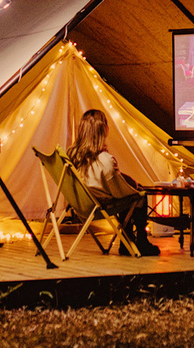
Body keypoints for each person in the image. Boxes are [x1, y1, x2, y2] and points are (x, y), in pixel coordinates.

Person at [67, 109, 160, 256]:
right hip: (100, 205)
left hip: (83, 203)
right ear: (104, 130)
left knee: (128, 193)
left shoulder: (72, 156)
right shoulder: (106, 160)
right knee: (139, 195)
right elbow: (120, 191)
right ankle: (140, 241)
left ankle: (127, 240)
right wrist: (135, 188)